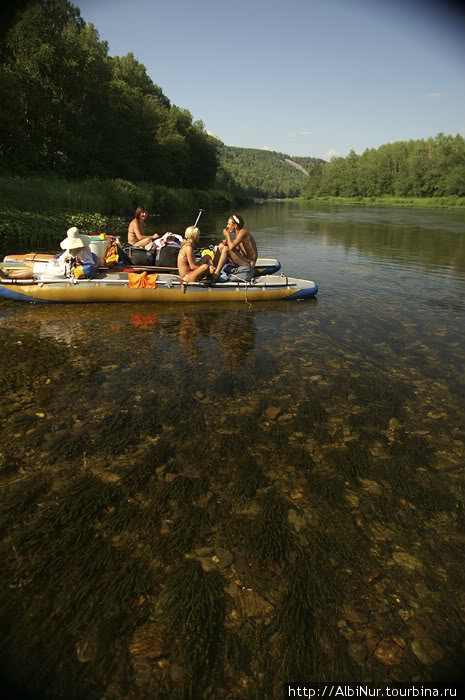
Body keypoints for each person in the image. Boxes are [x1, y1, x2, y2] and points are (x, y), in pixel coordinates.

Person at [211, 214, 258, 283]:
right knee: (221, 246)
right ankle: (212, 268)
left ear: (235, 226)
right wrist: (228, 242)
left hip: (249, 264)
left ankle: (216, 274)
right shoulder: (239, 234)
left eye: (228, 224)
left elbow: (231, 247)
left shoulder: (243, 232)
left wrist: (227, 236)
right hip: (243, 261)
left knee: (226, 249)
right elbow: (236, 250)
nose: (227, 226)